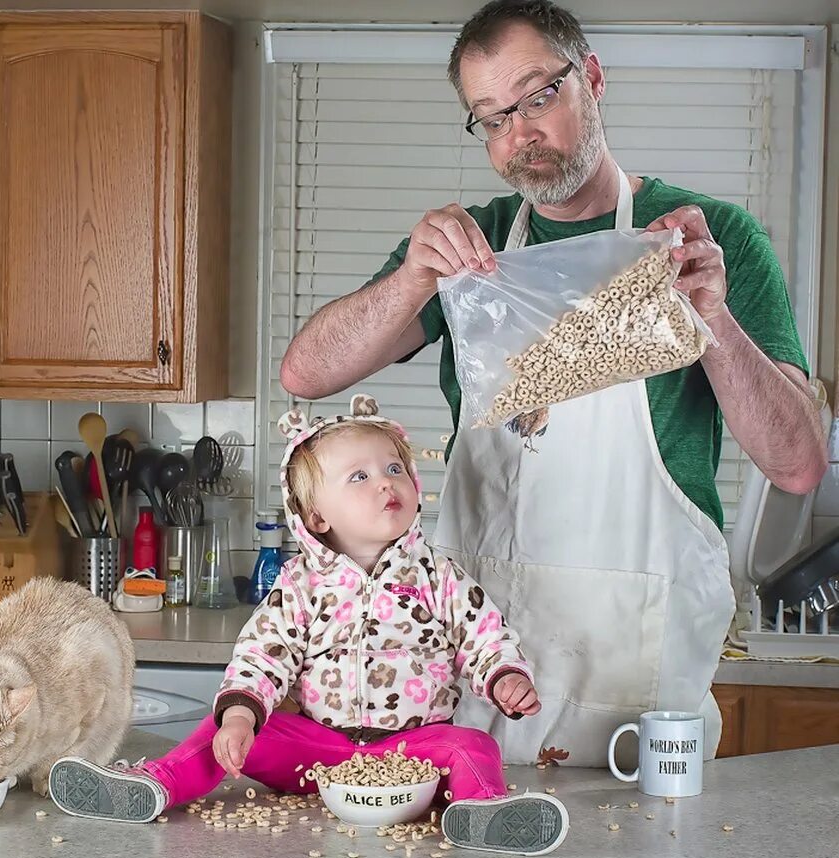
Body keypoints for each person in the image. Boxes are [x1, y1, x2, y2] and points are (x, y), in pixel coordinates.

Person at [278, 0, 826, 766]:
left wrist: (714, 320)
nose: (519, 135)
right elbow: (306, 371)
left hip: (637, 724)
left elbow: (799, 462)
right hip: (471, 713)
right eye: (492, 117)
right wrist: (410, 280)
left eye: (538, 97)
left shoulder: (711, 237)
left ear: (592, 79)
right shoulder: (470, 251)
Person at [48, 395, 569, 856]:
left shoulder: (437, 576)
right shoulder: (299, 585)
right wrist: (241, 716)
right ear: (316, 517)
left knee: (475, 747)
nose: (386, 482)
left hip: (415, 755)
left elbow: (484, 633)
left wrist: (504, 676)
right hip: (319, 754)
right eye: (360, 476)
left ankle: (485, 815)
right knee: (222, 730)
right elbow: (263, 653)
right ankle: (152, 786)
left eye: (394, 468)